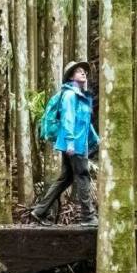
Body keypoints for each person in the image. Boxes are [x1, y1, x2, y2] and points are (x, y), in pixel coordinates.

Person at [32, 61, 99, 225]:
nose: (83, 73)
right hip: (73, 143)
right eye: (78, 72)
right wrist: (70, 142)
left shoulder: (82, 96)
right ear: (70, 77)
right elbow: (68, 119)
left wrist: (95, 139)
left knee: (66, 178)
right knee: (83, 176)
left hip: (77, 143)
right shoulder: (69, 95)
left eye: (84, 71)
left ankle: (39, 211)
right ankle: (88, 216)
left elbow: (85, 123)